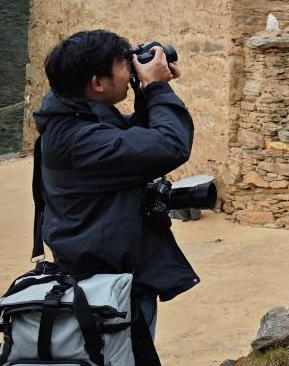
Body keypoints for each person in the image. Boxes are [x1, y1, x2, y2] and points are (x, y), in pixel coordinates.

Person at [35, 29, 199, 359]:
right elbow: (169, 146)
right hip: (106, 285)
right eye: (124, 64)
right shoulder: (80, 139)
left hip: (112, 273)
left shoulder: (75, 116)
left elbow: (134, 138)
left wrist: (146, 90)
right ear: (97, 83)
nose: (131, 68)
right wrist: (157, 88)